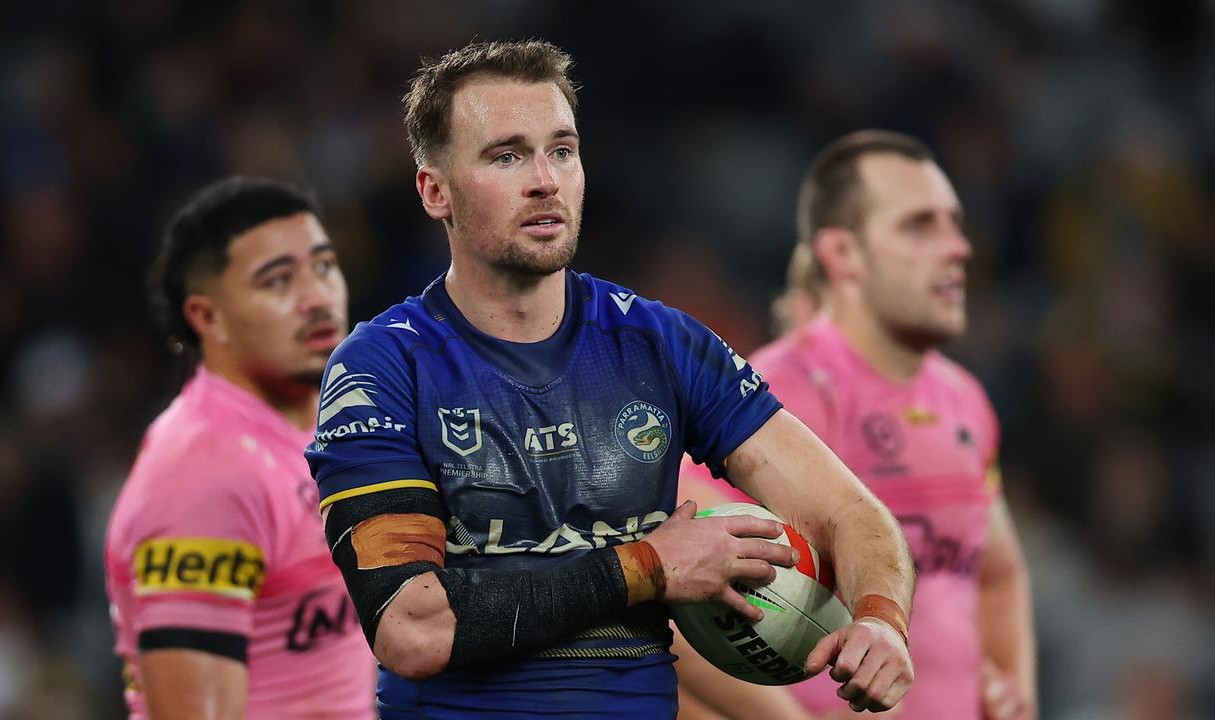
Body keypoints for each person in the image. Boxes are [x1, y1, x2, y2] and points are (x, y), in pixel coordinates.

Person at [307, 41, 915, 719]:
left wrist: (882, 620)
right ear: (435, 191)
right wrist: (647, 567)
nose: (545, 179)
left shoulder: (659, 343)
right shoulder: (382, 369)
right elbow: (414, 630)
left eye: (562, 150)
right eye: (506, 155)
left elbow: (850, 513)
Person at [673, 130, 1037, 719]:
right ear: (842, 254)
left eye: (954, 222)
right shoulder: (773, 396)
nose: (958, 247)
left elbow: (996, 573)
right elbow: (680, 604)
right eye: (920, 226)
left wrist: (1013, 692)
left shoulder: (963, 400)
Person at [104, 176, 378, 719]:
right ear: (207, 317)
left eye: (323, 267)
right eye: (278, 281)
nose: (316, 298)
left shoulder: (346, 419)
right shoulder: (204, 474)